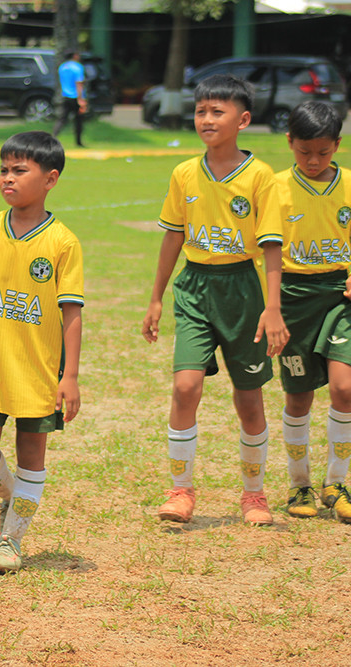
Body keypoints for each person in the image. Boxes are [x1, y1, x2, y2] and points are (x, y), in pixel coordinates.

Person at [142, 74, 288, 526]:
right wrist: (156, 298)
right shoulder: (184, 173)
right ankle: (180, 490)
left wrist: (272, 307)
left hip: (243, 290)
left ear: (242, 120)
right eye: (200, 110)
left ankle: (254, 495)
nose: (206, 119)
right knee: (185, 387)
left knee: (249, 401)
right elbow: (173, 237)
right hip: (195, 287)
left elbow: (271, 247)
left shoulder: (261, 176)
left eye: (217, 111)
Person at [0, 131, 83, 574]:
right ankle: (16, 499)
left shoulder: (63, 242)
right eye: (3, 170)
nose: (8, 178)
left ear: (50, 179)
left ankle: (10, 540)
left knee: (32, 453)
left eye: (19, 170)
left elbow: (72, 312)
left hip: (38, 369)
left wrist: (70, 376)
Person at [273, 101, 351, 521]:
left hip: (341, 295)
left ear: (338, 144)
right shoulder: (275, 188)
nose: (314, 161)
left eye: (323, 152)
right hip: (293, 298)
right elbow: (263, 250)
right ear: (290, 142)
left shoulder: (349, 184)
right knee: (299, 395)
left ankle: (336, 482)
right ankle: (299, 483)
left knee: (345, 389)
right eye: (305, 152)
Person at [51, 51, 86, 148]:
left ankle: (53, 137)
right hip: (75, 96)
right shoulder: (78, 67)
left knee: (62, 119)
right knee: (78, 120)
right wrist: (81, 99)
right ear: (75, 56)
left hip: (65, 95)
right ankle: (78, 141)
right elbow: (79, 83)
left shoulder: (62, 67)